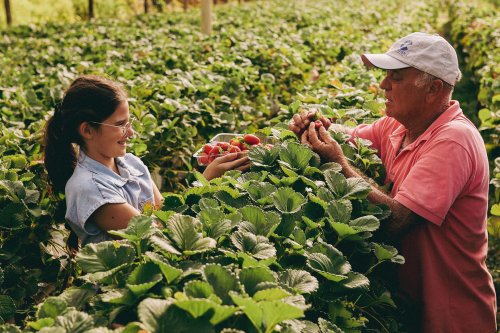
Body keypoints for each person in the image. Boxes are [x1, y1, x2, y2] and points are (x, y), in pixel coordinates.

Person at [289, 32, 497, 333]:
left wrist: (337, 162)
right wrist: (315, 126)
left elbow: (396, 220)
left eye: (396, 78)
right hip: (412, 308)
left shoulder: (454, 140)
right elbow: (349, 138)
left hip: (451, 316)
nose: (383, 85)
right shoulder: (399, 126)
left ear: (433, 89)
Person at [44, 75, 249, 246]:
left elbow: (166, 214)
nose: (131, 132)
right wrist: (207, 182)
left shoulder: (131, 163)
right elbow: (160, 237)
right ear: (87, 130)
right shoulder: (89, 189)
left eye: (129, 122)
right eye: (120, 124)